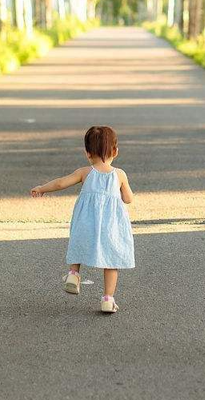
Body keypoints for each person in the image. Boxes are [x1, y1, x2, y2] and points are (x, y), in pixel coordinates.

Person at [31, 125, 134, 313]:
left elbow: (61, 182)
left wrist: (42, 188)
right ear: (115, 151)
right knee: (111, 261)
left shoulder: (85, 172)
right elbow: (128, 199)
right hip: (111, 226)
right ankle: (108, 300)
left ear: (87, 153)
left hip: (86, 220)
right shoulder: (119, 174)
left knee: (79, 243)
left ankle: (73, 274)